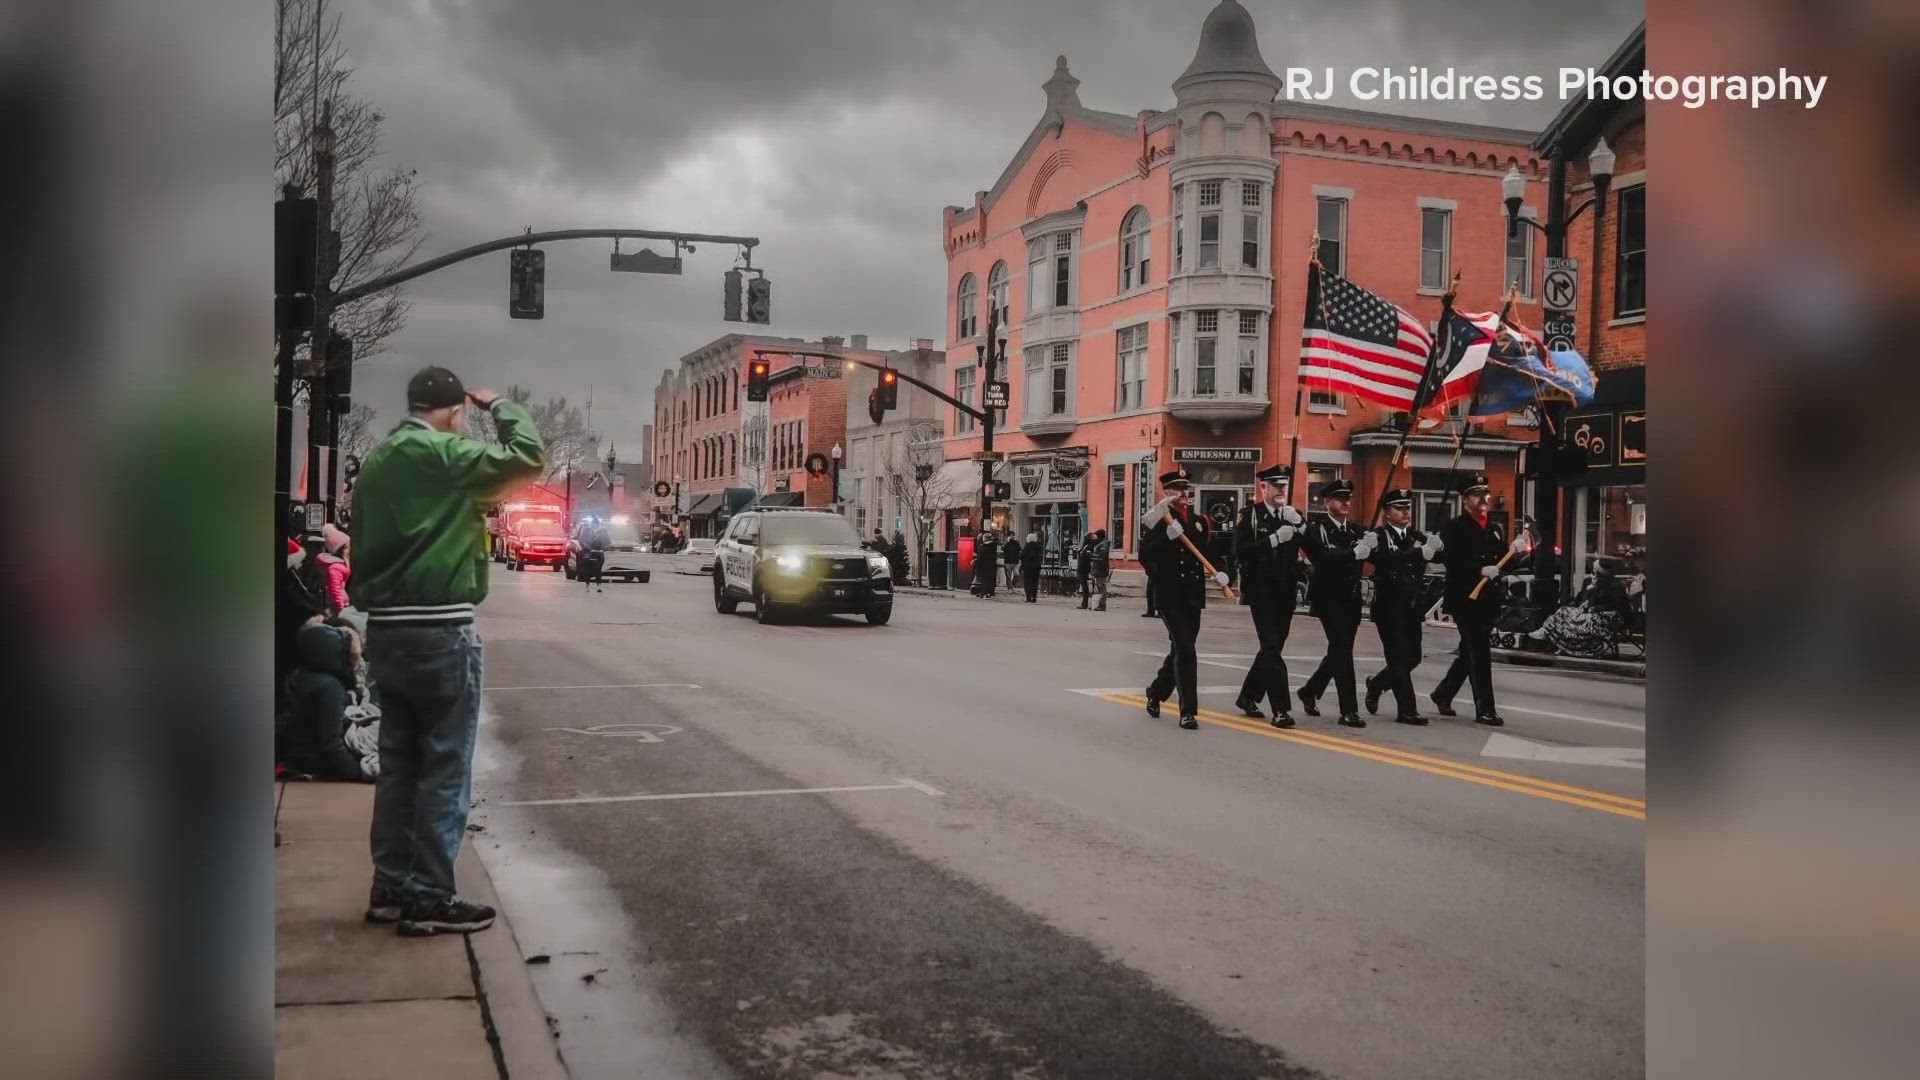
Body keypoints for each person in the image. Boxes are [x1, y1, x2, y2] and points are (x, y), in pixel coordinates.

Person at [351, 367, 543, 936]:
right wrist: (502, 404)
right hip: (441, 627)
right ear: (454, 411)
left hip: (386, 629)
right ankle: (430, 895)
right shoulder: (447, 455)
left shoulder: (380, 461)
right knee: (444, 765)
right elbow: (526, 458)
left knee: (399, 764)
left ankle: (389, 886)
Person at [1430, 475, 1526, 725]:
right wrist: (1479, 570)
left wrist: (1516, 551)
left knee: (1469, 652)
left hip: (1487, 599)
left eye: (1485, 492)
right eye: (1476, 493)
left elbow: (1503, 561)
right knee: (1479, 652)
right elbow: (1450, 560)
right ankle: (1485, 709)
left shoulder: (1493, 527)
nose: (1483, 498)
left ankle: (1443, 693)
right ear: (1464, 499)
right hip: (1465, 598)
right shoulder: (1454, 527)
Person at [1140, 469, 1229, 730]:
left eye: (1185, 490)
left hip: (1192, 593)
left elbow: (1206, 554)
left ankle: (1156, 692)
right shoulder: (1157, 520)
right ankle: (1188, 711)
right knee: (1186, 648)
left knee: (1180, 648)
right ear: (1166, 492)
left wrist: (1221, 573)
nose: (1183, 495)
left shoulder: (1200, 521)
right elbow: (1146, 555)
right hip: (1169, 593)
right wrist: (1165, 539)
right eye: (1177, 490)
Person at [1232, 464, 1303, 727]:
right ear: (1264, 488)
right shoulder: (1250, 515)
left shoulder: (1292, 515)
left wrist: (1300, 524)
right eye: (1275, 485)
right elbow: (1242, 551)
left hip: (1286, 589)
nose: (1281, 490)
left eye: (1284, 485)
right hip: (1261, 589)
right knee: (1272, 647)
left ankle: (1248, 696)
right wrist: (1273, 540)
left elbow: (1312, 546)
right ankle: (1281, 709)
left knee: (1273, 647)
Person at [1362, 489, 1437, 725]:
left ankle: (1376, 684)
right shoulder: (1379, 536)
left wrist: (1438, 547)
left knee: (1413, 657)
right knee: (1396, 657)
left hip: (1411, 605)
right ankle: (1407, 709)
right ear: (1386, 512)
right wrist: (1418, 553)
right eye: (1399, 508)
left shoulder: (1415, 535)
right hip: (1388, 605)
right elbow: (1384, 560)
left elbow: (1439, 556)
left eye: (1407, 508)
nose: (1405, 512)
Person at [1297, 479, 1369, 728]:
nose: (1345, 503)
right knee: (1342, 649)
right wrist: (1352, 554)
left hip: (1351, 597)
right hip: (1328, 597)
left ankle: (1310, 689)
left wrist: (1372, 544)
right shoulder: (1316, 529)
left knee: (1340, 649)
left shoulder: (1357, 530)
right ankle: (1348, 710)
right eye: (1340, 498)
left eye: (1348, 498)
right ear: (1327, 502)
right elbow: (1321, 558)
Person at [277, 619, 373, 782]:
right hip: (317, 761)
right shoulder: (330, 687)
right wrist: (358, 774)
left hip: (296, 755)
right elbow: (331, 744)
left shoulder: (298, 675)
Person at [317, 524, 353, 614]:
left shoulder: (337, 565)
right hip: (337, 608)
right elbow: (335, 591)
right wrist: (340, 611)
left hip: (341, 602)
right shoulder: (335, 568)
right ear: (341, 549)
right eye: (347, 547)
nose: (350, 550)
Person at [1082, 529, 1111, 611]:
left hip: (1101, 569)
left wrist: (1091, 555)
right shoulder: (1101, 544)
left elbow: (1101, 557)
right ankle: (1100, 604)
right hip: (1099, 568)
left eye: (1097, 535)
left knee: (1102, 586)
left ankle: (1102, 605)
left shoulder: (1103, 545)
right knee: (1100, 586)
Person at [579, 519, 609, 592]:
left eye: (596, 524)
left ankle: (599, 586)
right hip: (588, 554)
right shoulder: (586, 531)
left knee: (598, 570)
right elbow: (582, 541)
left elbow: (608, 542)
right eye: (593, 524)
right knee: (588, 570)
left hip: (599, 554)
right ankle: (587, 586)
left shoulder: (603, 532)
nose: (595, 526)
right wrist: (589, 549)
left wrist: (604, 549)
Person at [973, 530, 999, 597]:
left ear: (985, 538)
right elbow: (994, 556)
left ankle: (984, 592)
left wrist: (976, 557)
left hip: (983, 566)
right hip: (991, 565)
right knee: (990, 579)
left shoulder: (983, 547)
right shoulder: (994, 546)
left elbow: (981, 557)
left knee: (984, 579)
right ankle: (989, 592)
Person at [1020, 530, 1044, 603]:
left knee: (1027, 582)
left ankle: (1028, 597)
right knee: (1034, 582)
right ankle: (1034, 597)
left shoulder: (1027, 547)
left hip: (1027, 567)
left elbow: (1022, 556)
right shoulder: (1038, 547)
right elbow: (1040, 557)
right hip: (1036, 567)